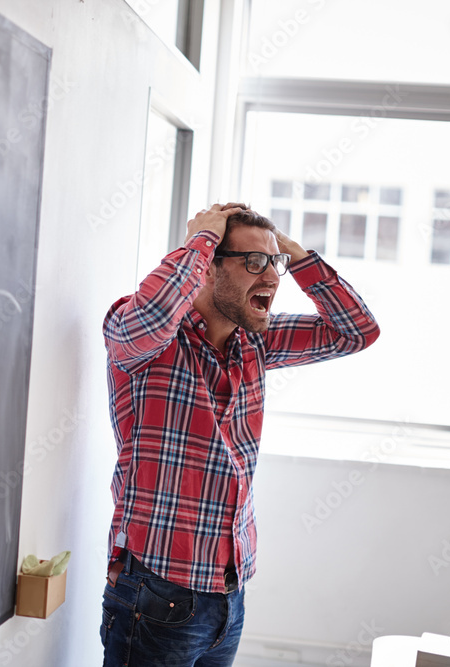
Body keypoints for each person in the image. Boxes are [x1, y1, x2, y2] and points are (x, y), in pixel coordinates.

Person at [100, 203, 380, 666]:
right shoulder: (149, 342)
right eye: (253, 263)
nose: (271, 276)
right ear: (208, 268)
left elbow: (357, 332)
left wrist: (294, 254)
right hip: (154, 593)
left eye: (276, 265)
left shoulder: (255, 341)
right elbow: (146, 321)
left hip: (229, 597)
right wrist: (201, 240)